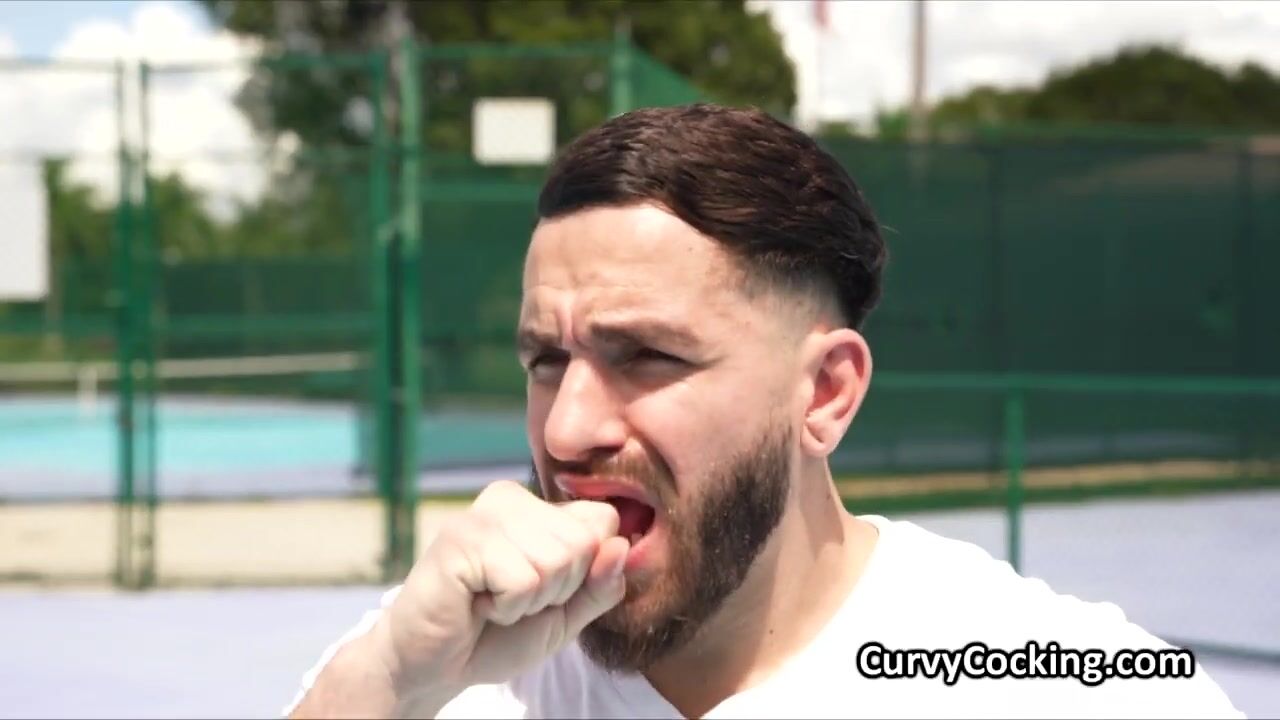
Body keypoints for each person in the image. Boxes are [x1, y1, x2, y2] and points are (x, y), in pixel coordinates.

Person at [285, 104, 1240, 719]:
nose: (566, 431)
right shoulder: (452, 666)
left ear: (824, 394)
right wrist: (391, 679)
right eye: (546, 359)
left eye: (647, 354)